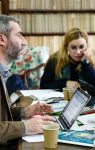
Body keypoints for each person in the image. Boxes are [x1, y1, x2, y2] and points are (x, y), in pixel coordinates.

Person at [0, 15, 56, 145]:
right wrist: (26, 127)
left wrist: (25, 111)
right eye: (19, 35)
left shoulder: (3, 72)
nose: (24, 42)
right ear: (2, 39)